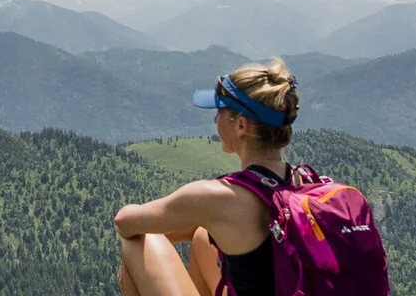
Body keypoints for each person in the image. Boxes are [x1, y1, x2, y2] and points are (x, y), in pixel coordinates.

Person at [112, 59, 301, 296]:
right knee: (203, 235)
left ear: (241, 125)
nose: (215, 120)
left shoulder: (220, 198)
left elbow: (124, 222)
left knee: (138, 241)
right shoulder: (304, 185)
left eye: (219, 111)